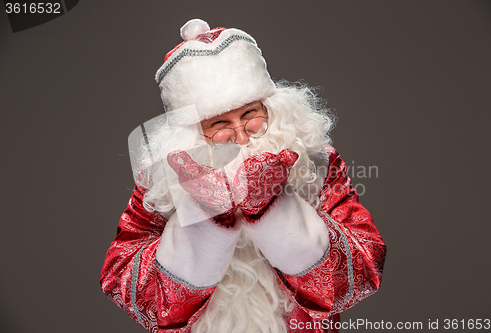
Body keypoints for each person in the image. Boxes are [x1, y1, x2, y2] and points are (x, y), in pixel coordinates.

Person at [100, 19, 386, 333]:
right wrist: (205, 217)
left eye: (250, 113)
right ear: (193, 133)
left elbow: (364, 270)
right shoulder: (161, 180)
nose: (241, 135)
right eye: (219, 124)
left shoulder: (315, 161)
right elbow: (131, 291)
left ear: (272, 108)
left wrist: (276, 208)